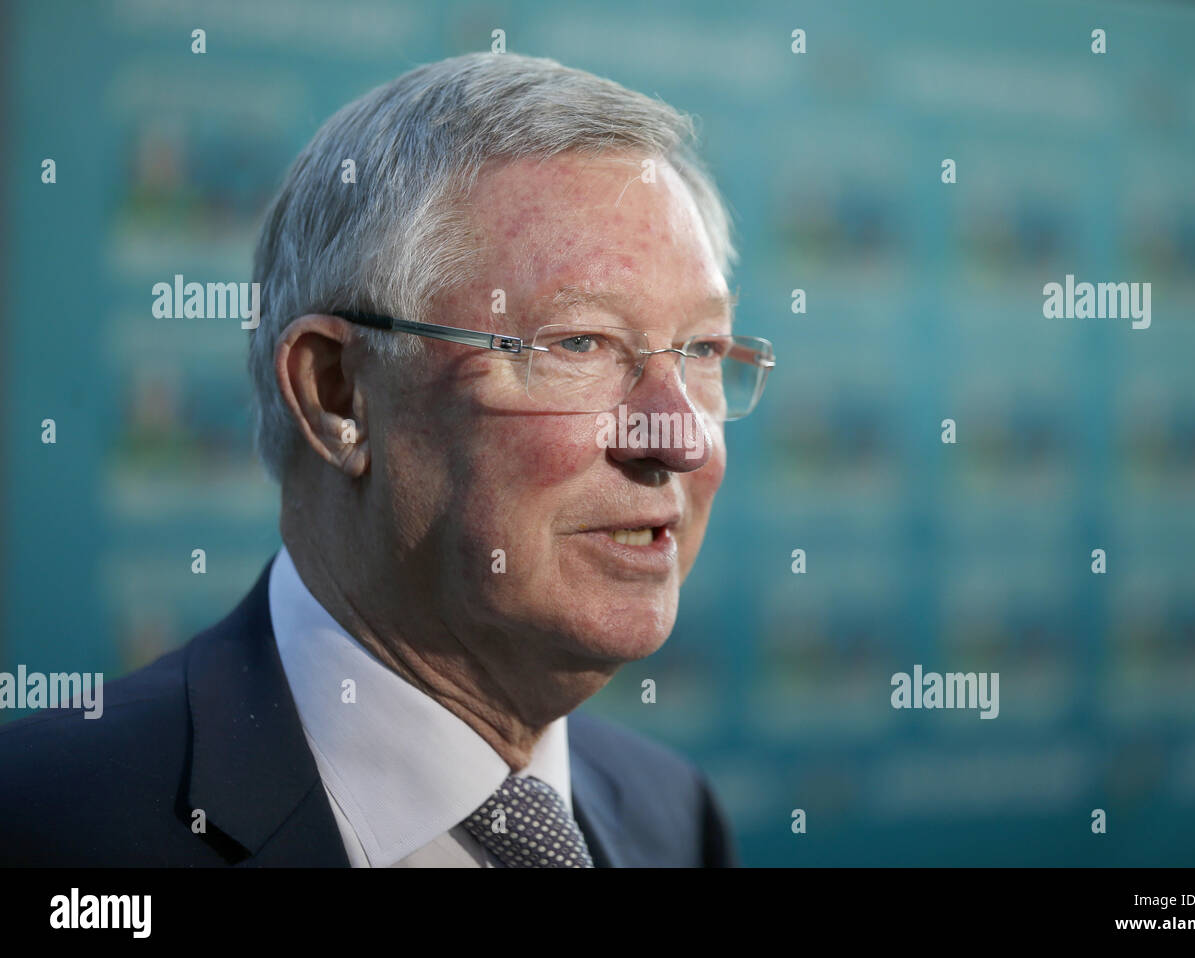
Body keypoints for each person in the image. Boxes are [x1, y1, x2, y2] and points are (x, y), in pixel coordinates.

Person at [0, 51, 773, 867]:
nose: (680, 439)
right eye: (579, 343)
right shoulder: (46, 828)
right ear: (339, 395)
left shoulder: (670, 819)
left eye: (701, 349)